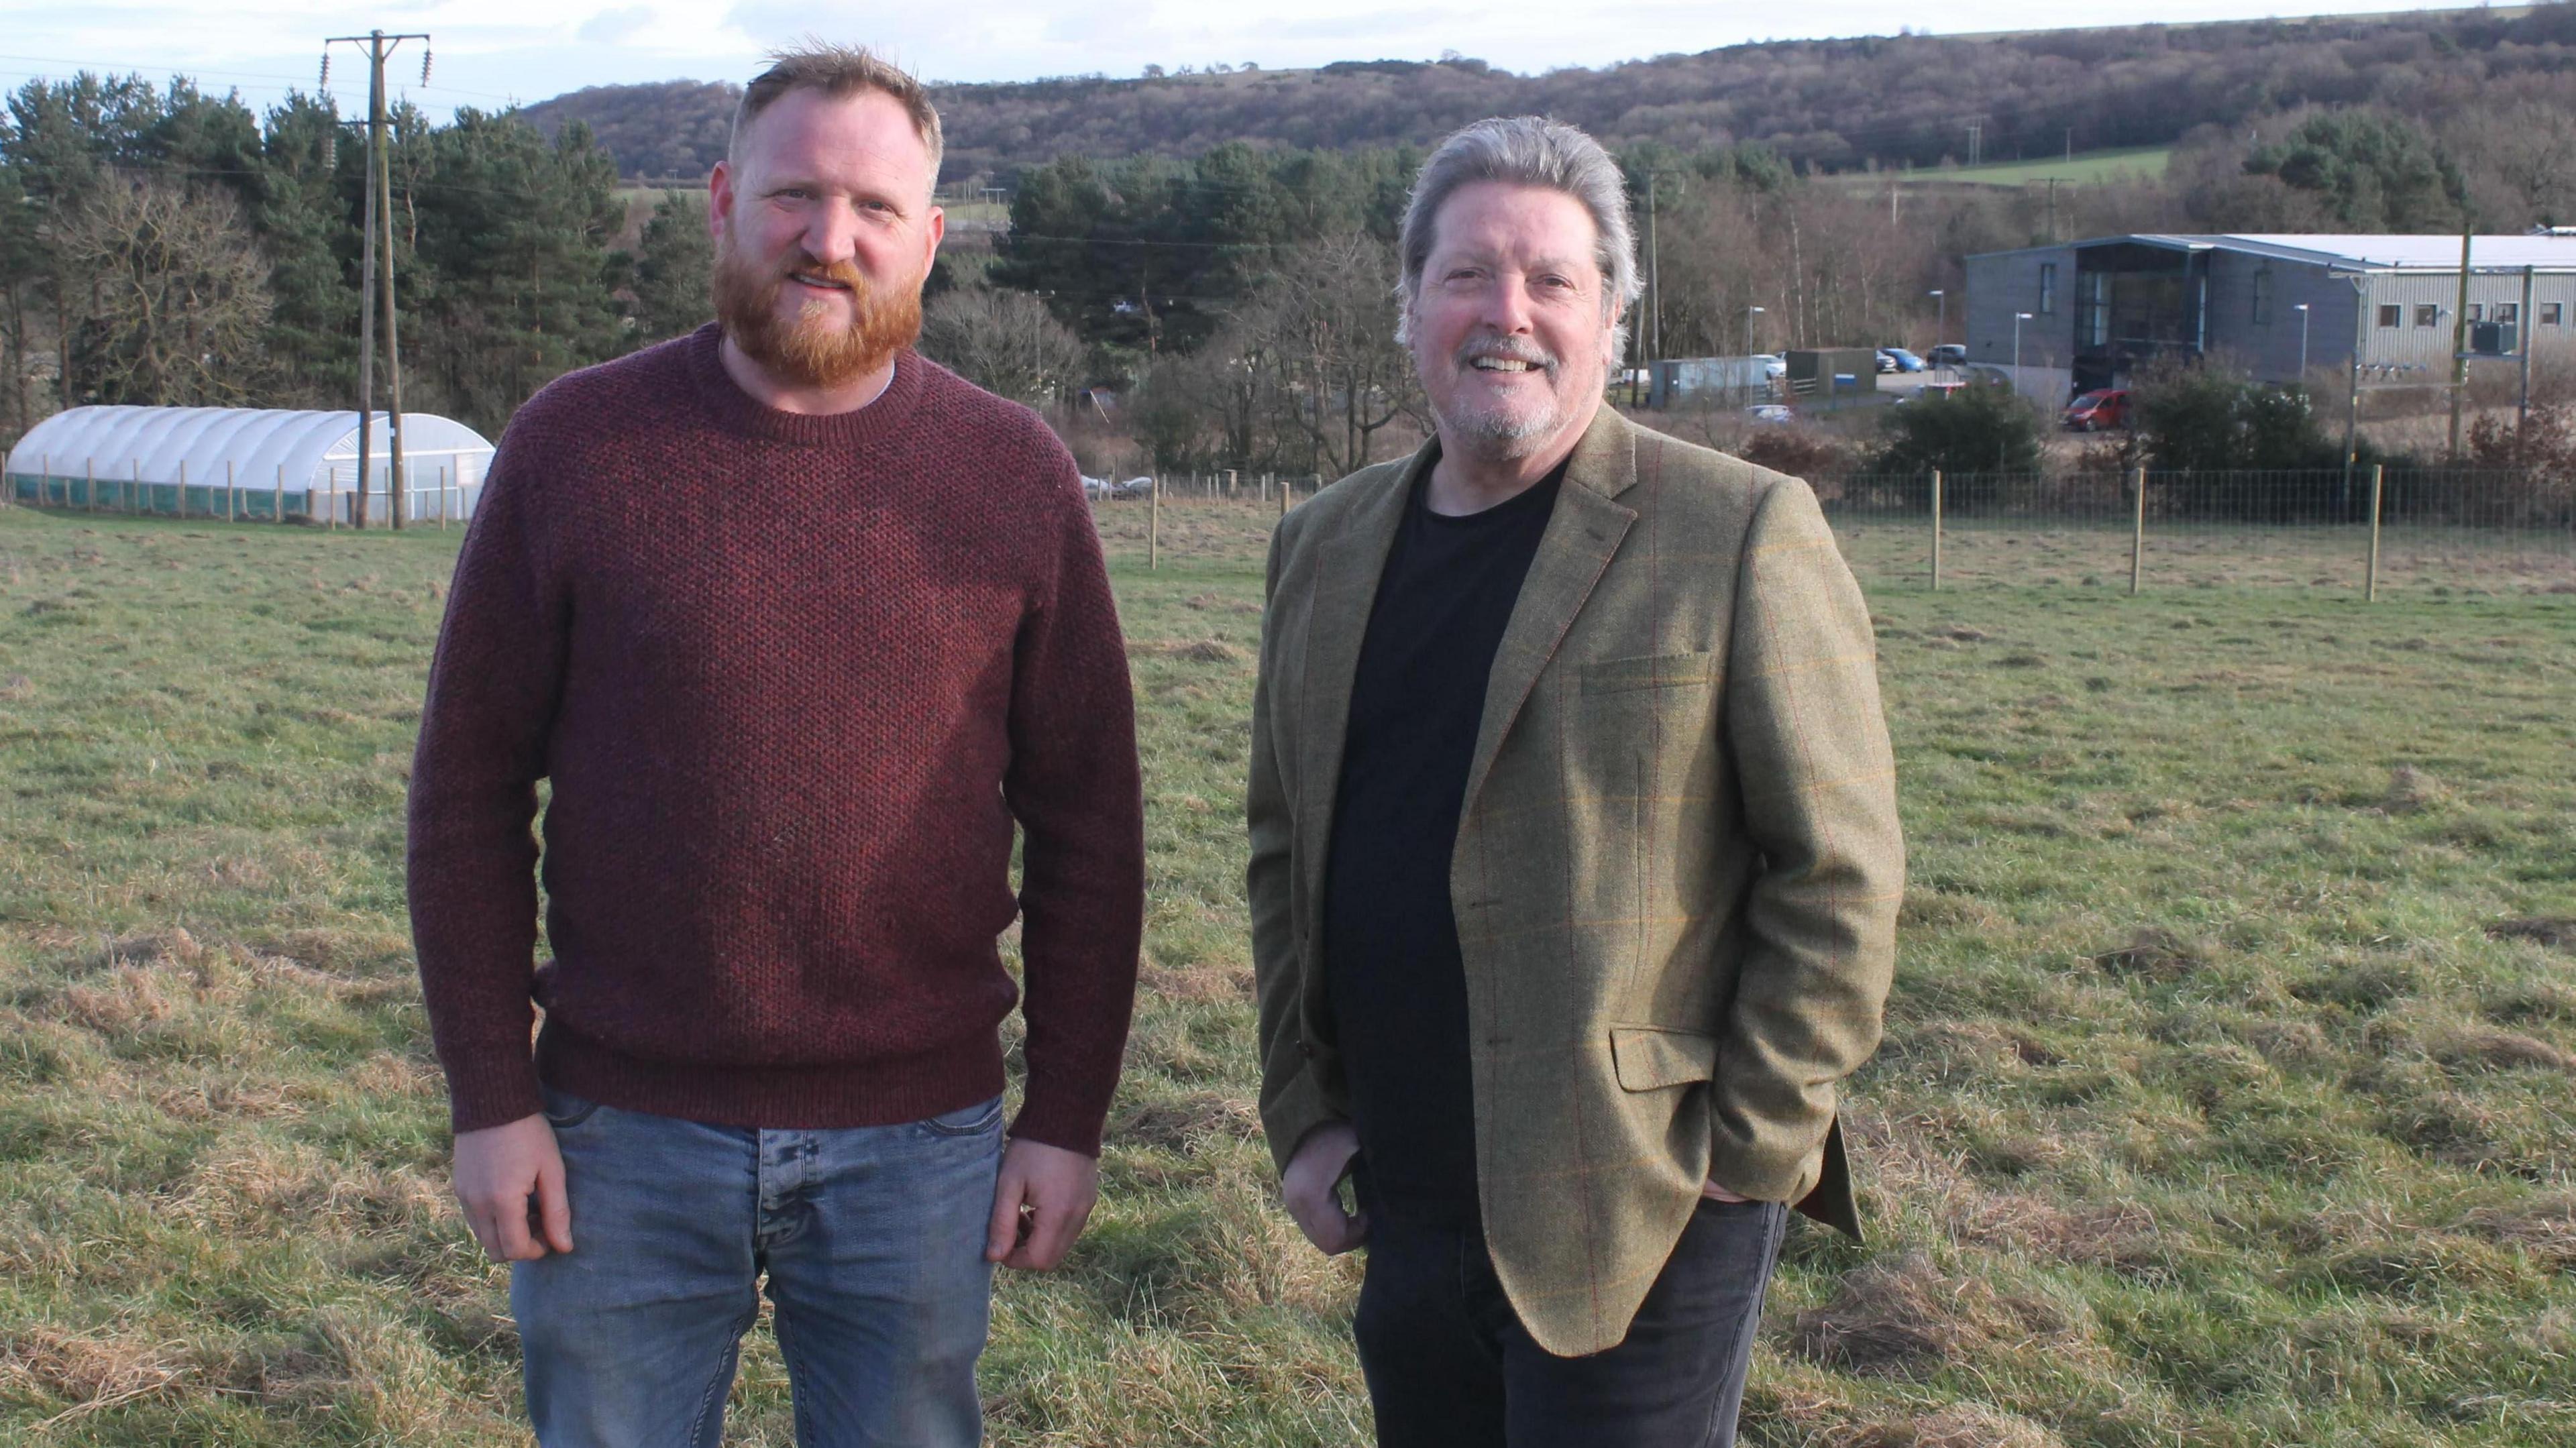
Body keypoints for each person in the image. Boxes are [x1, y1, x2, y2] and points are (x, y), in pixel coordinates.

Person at [406, 44, 1142, 1447]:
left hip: (918, 1148)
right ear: (720, 200)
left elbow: (1091, 824)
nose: (830, 237)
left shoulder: (1014, 472)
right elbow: (467, 796)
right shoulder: (575, 446)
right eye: (795, 194)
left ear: (929, 241)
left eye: (875, 208)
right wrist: (492, 1097)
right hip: (615, 1135)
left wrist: (1068, 1113)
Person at [1246, 115, 1904, 1447]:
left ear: (1614, 315)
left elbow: (1836, 873)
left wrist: (1750, 1152)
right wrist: (1304, 1114)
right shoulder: (1319, 548)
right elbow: (1282, 850)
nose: (1509, 312)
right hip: (1407, 1191)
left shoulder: (1738, 530)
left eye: (1552, 278)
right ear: (1410, 306)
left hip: (1643, 1205)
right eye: (1468, 275)